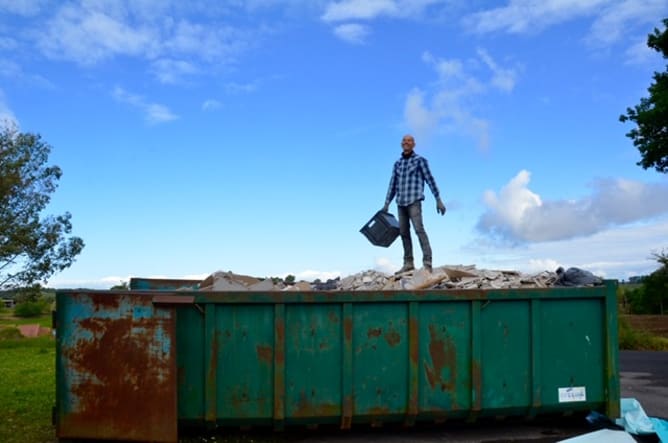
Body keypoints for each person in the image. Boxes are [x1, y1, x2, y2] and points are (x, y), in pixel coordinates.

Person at [382, 134, 446, 273]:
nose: (406, 142)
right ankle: (408, 263)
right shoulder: (397, 164)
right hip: (400, 202)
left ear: (414, 144)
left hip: (414, 201)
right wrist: (387, 203)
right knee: (404, 232)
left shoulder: (420, 161)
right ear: (401, 144)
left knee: (419, 230)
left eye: (409, 141)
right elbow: (392, 184)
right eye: (404, 140)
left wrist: (438, 199)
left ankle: (427, 263)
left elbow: (430, 179)